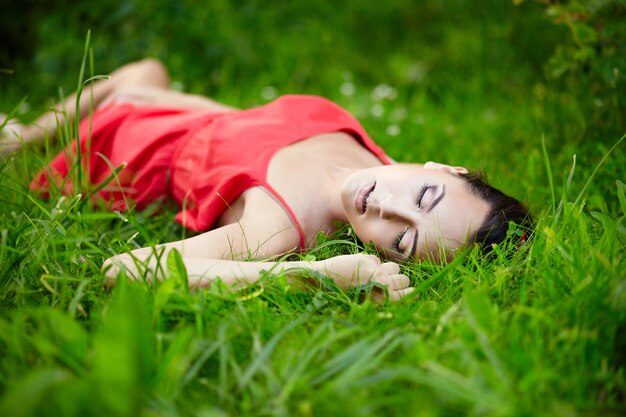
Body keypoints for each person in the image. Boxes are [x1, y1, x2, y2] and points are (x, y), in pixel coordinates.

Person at [1, 59, 530, 301]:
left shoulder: (276, 228)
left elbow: (121, 270)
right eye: (424, 196)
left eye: (403, 239)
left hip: (124, 148)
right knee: (146, 75)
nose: (386, 207)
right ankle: (25, 135)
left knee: (124, 97)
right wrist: (173, 105)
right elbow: (252, 125)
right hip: (189, 115)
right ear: (444, 169)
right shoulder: (376, 161)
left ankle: (21, 139)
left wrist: (317, 273)